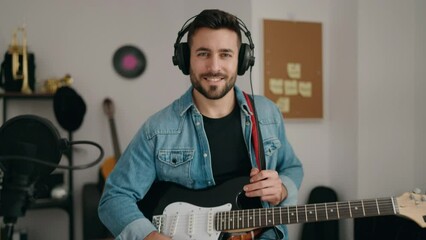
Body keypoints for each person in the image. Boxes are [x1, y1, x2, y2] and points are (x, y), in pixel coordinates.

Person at [98, 9, 303, 240]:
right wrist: (149, 237)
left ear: (243, 60)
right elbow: (114, 198)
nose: (214, 67)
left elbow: (292, 167)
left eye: (225, 54)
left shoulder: (267, 113)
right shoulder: (158, 129)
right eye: (203, 53)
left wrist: (283, 189)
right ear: (185, 59)